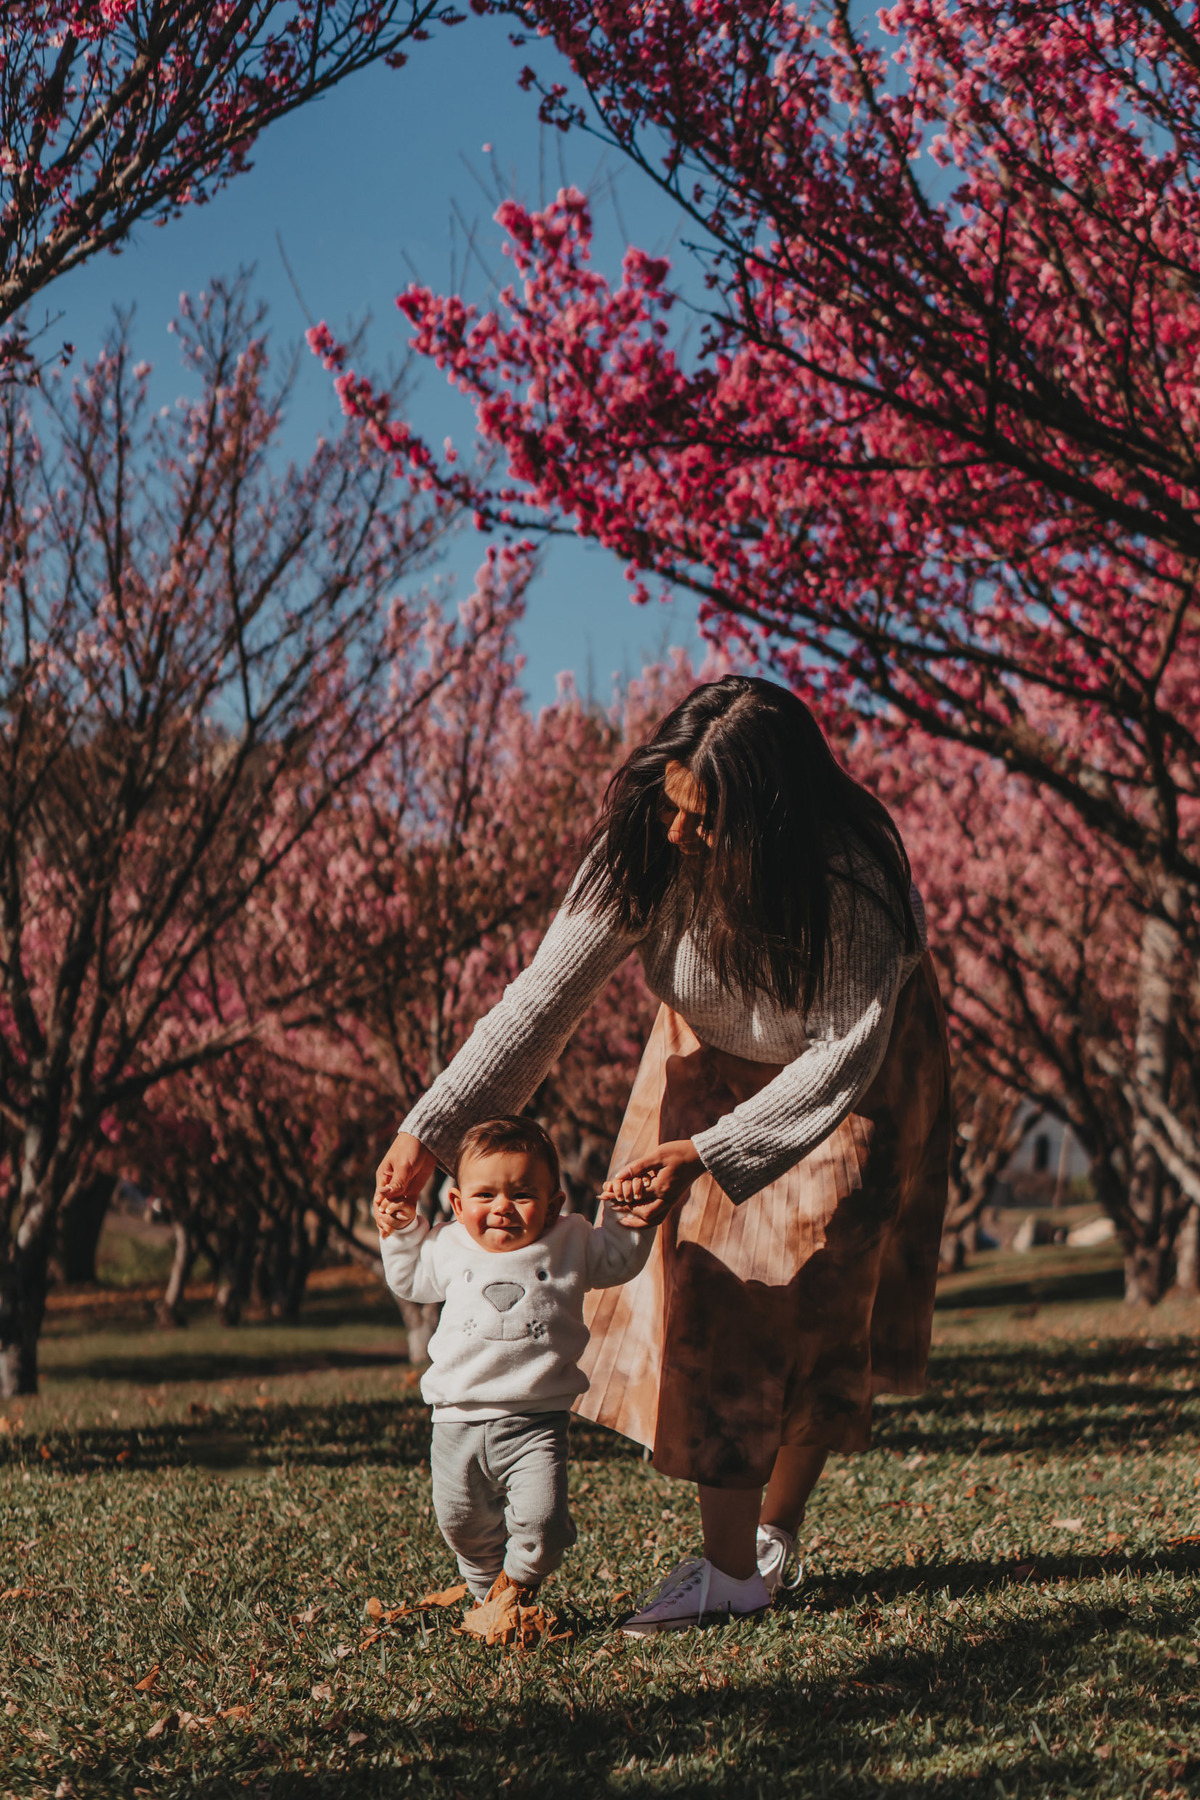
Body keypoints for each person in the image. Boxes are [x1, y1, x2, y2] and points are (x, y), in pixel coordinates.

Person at [374, 676, 951, 1635]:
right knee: (710, 1285)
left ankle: (770, 1532)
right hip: (701, 1051)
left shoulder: (849, 881)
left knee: (820, 1300)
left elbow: (843, 1049)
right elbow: (540, 1001)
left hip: (855, 1071)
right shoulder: (646, 841)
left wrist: (718, 1150)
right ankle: (731, 1572)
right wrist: (430, 1130)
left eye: (708, 819)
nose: (681, 834)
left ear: (776, 821)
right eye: (671, 805)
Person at [378, 1114, 653, 1607]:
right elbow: (409, 1279)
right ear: (458, 1205)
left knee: (543, 1524)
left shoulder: (570, 1241)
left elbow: (617, 1259)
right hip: (456, 1422)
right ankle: (490, 1599)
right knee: (460, 1523)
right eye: (485, 1196)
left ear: (553, 1205)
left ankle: (521, 1579)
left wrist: (627, 1219)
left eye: (522, 1194)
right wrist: (400, 1231)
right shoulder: (447, 1243)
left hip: (536, 1421)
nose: (502, 1207)